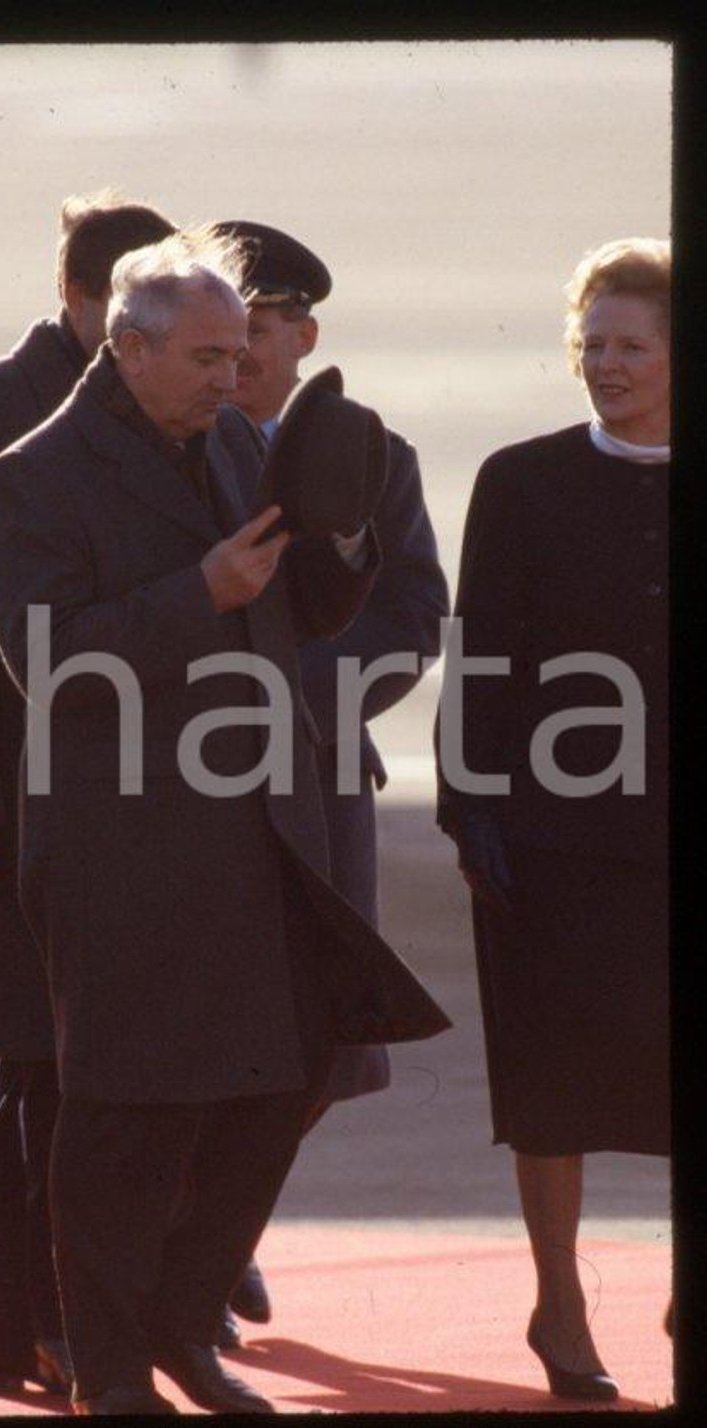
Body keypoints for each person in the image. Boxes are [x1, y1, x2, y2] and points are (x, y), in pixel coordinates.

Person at [0, 226, 451, 1415]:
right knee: (126, 1116)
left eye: (239, 354)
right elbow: (48, 663)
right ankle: (112, 1370)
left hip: (267, 828)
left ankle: (185, 1331)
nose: (230, 379)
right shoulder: (34, 471)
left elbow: (304, 597)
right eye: (204, 358)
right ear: (128, 349)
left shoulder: (239, 438)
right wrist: (196, 596)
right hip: (122, 842)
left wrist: (340, 536)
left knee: (276, 1086)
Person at [0, 192, 176, 1398]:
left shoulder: (158, 411)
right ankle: (48, 1325)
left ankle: (14, 1332)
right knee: (47, 1069)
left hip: (123, 804)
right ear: (78, 298)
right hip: (8, 806)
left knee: (56, 1071)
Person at [436, 237, 670, 1401]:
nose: (606, 365)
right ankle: (559, 1298)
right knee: (549, 1080)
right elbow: (475, 658)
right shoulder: (519, 480)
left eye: (631, 346)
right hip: (550, 836)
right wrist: (468, 809)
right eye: (591, 345)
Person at [217, 218, 449, 1325]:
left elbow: (411, 615)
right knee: (205, 1027)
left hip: (320, 771)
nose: (245, 348)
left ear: (305, 335)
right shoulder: (181, 443)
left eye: (263, 327)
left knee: (323, 1041)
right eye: (232, 326)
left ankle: (221, 1229)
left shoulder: (374, 452)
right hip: (192, 776)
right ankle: (197, 1252)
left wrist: (301, 704)